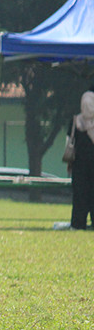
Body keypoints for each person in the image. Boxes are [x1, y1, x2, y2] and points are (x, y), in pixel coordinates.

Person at [66, 91, 94, 230]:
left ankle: (78, 223)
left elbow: (69, 142)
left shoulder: (75, 121)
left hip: (79, 166)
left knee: (80, 196)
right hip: (84, 167)